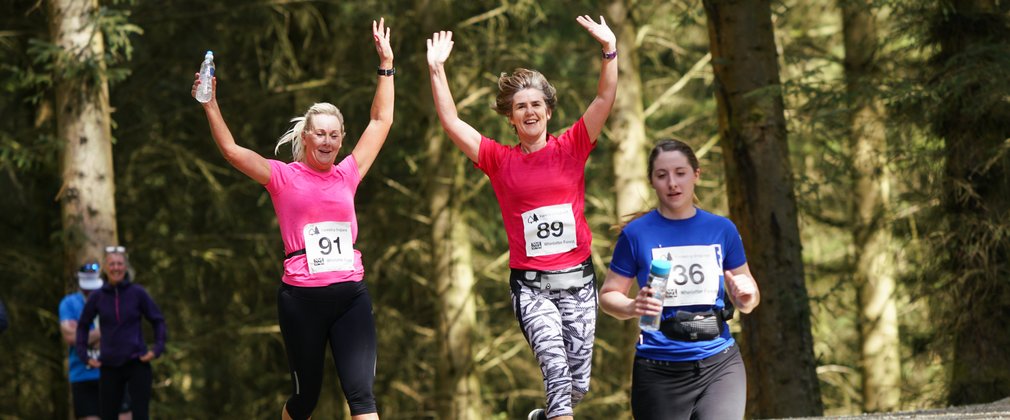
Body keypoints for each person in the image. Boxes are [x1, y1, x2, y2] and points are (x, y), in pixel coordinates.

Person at [192, 19, 393, 420]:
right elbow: (232, 151)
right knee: (305, 400)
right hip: (301, 299)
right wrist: (210, 104)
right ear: (306, 137)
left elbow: (380, 121)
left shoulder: (349, 172)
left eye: (334, 135)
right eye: (320, 134)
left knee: (363, 398)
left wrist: (386, 64)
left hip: (351, 294)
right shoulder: (282, 176)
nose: (328, 142)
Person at [426, 15, 617, 420]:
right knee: (558, 380)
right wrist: (437, 69)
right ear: (510, 118)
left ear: (548, 111)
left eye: (535, 104)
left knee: (578, 384)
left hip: (580, 285)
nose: (529, 112)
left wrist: (609, 50)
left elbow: (603, 99)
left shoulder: (573, 145)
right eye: (520, 107)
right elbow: (452, 122)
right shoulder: (498, 159)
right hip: (533, 290)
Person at [599, 139, 761, 420]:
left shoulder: (722, 229)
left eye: (680, 173)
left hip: (720, 364)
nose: (672, 183)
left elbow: (749, 298)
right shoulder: (636, 234)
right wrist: (631, 307)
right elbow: (608, 295)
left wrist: (746, 295)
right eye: (662, 175)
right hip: (659, 370)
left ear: (696, 174)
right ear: (652, 181)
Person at [76, 247, 166, 420]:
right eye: (111, 264)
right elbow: (83, 325)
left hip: (137, 363)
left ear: (125, 267)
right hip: (109, 366)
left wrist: (157, 349)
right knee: (108, 416)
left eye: (119, 264)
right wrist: (84, 355)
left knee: (140, 415)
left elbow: (157, 320)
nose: (115, 268)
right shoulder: (98, 296)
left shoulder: (137, 293)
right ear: (105, 268)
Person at [60, 262, 133, 420]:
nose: (90, 292)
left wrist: (83, 331)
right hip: (82, 375)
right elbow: (71, 338)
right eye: (87, 289)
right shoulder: (69, 303)